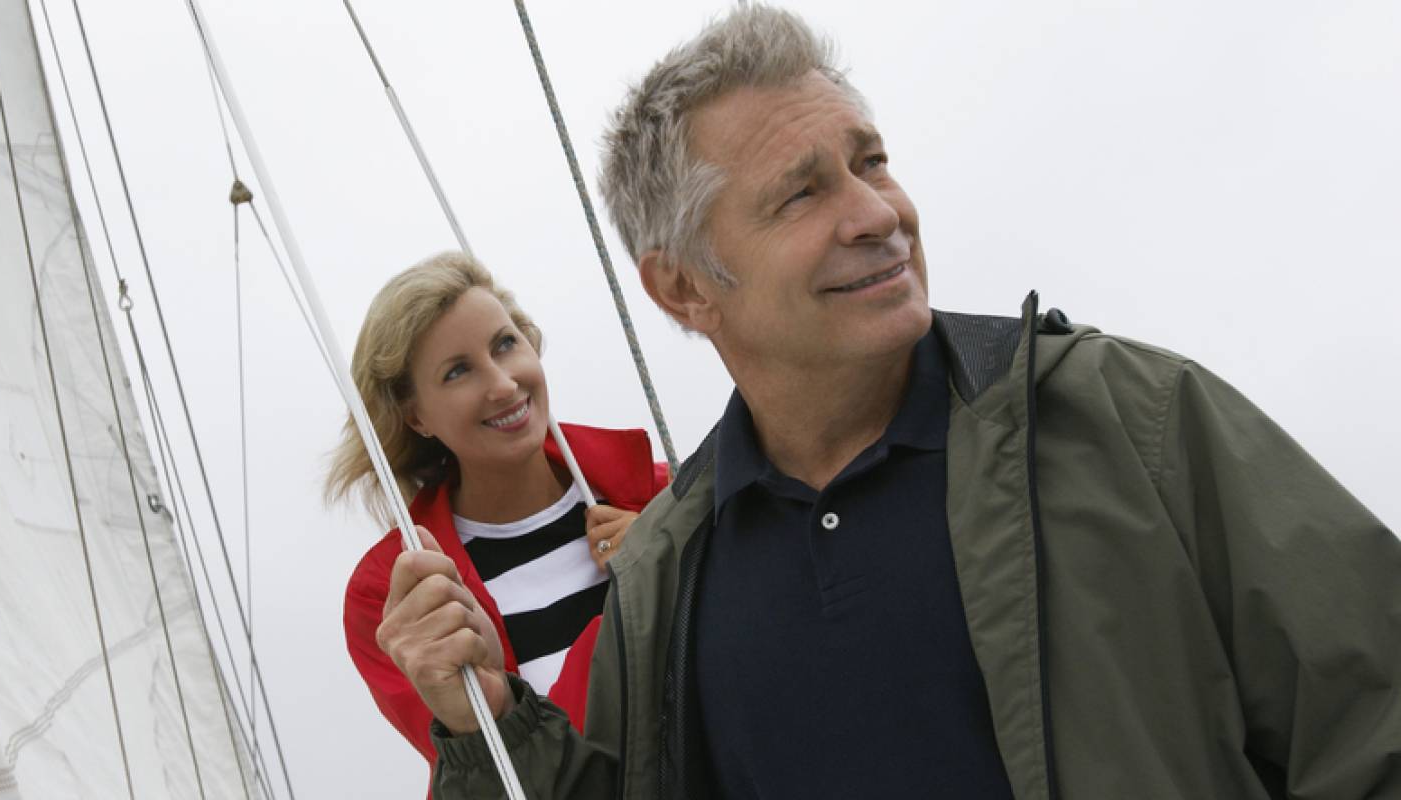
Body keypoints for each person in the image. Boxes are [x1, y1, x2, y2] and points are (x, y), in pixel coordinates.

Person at [379, 7, 1401, 799]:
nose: (878, 214)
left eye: (871, 162)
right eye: (803, 192)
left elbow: (1374, 721)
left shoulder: (1136, 420)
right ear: (683, 285)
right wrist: (485, 723)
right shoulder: (662, 579)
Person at [332, 252, 671, 772]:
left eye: (505, 344)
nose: (503, 384)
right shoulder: (395, 597)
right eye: (458, 370)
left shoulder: (663, 499)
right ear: (415, 415)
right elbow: (484, 780)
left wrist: (672, 561)